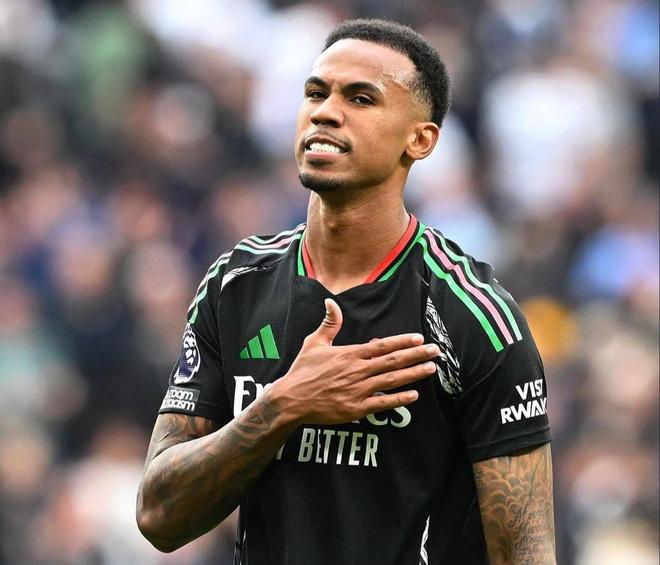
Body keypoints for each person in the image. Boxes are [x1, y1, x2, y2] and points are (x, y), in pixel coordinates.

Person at [136, 19, 555, 565]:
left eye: (360, 98)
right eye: (316, 92)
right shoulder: (234, 286)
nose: (325, 112)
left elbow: (525, 554)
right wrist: (282, 406)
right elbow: (159, 516)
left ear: (420, 140)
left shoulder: (473, 316)